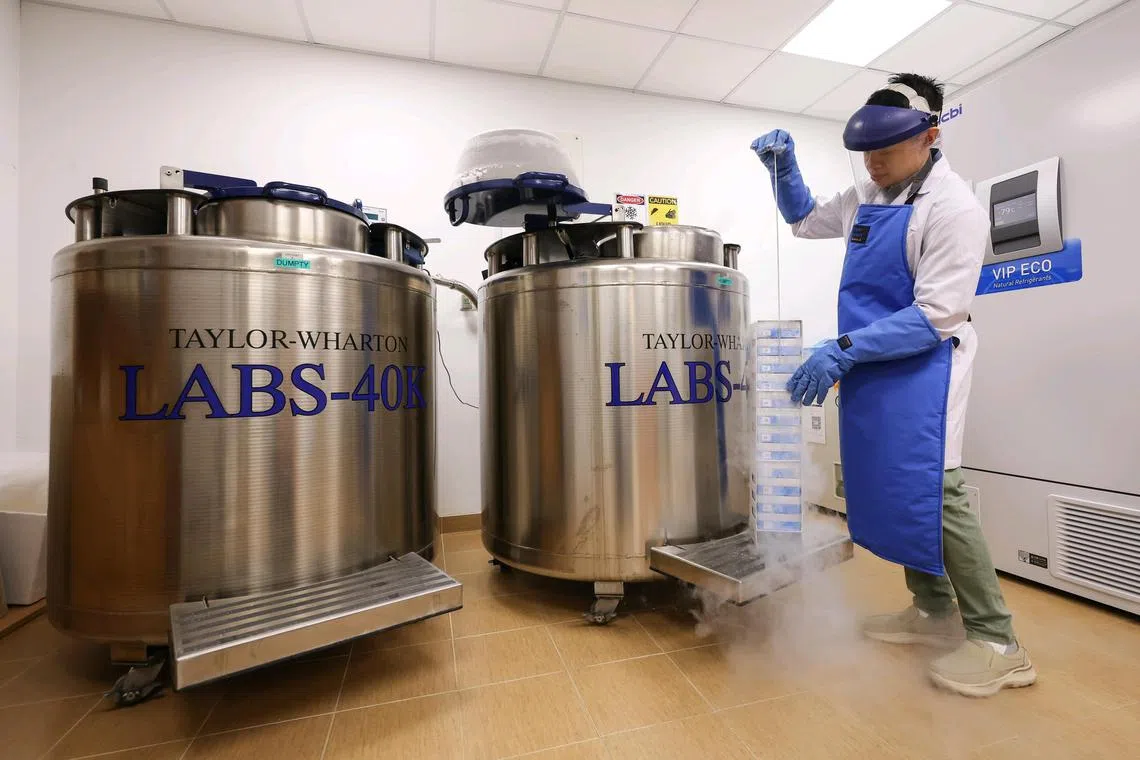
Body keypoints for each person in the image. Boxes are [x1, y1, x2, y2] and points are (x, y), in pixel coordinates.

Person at [750, 73, 1037, 698]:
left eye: (884, 151)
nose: (872, 164)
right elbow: (804, 221)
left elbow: (938, 314)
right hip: (871, 362)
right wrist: (783, 171)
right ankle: (932, 608)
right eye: (865, 154)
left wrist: (842, 348)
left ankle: (999, 641)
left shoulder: (954, 207)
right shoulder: (870, 193)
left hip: (927, 363)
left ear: (928, 137)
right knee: (888, 480)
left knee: (937, 488)